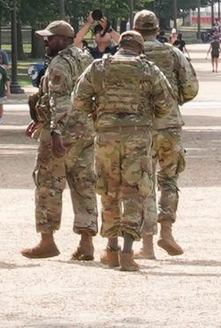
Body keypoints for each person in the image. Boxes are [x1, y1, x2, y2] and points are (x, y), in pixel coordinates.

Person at [71, 30, 173, 272]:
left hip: (106, 136)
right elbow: (166, 104)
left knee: (108, 191)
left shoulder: (99, 67)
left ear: (120, 46)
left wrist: (99, 114)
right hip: (137, 136)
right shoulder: (148, 69)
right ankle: (128, 252)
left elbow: (79, 100)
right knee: (134, 192)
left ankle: (111, 249)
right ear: (140, 48)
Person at [21, 19, 96, 261]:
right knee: (83, 184)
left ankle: (47, 239)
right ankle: (86, 242)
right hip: (85, 132)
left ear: (63, 40)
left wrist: (55, 132)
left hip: (63, 134)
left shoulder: (59, 64)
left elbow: (60, 101)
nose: (45, 41)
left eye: (50, 38)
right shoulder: (85, 58)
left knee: (47, 184)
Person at [133, 8, 198, 259]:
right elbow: (191, 87)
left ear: (135, 30)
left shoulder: (130, 55)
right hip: (169, 125)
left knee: (143, 183)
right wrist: (173, 100)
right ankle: (167, 231)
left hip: (140, 126)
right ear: (157, 29)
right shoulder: (173, 53)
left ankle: (146, 245)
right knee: (169, 179)